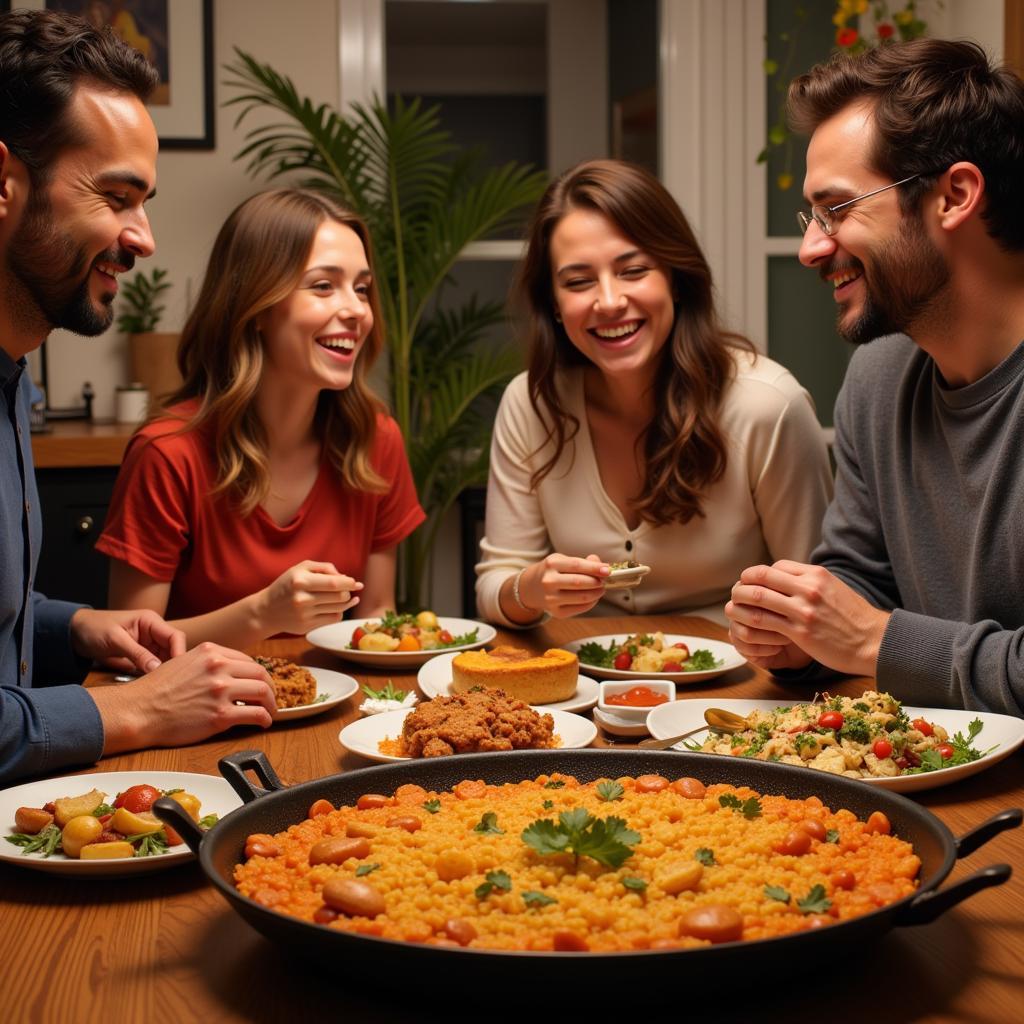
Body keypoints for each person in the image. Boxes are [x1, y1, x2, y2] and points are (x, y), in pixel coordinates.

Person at [0, 9, 277, 784]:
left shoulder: (12, 382)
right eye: (117, 197)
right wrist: (139, 710)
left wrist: (79, 626)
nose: (144, 237)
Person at [725, 39, 1024, 716]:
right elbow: (862, 578)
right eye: (811, 217)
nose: (810, 248)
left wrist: (873, 641)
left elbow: (874, 633)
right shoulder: (878, 377)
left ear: (954, 195)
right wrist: (796, 631)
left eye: (838, 210)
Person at [475, 159, 833, 627]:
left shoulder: (768, 407)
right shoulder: (531, 404)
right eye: (578, 282)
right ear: (555, 307)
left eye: (633, 270)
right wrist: (531, 588)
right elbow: (493, 584)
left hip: (740, 687)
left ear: (676, 278)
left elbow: (817, 596)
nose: (608, 302)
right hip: (576, 690)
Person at [96, 188, 425, 648]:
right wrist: (263, 613)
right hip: (204, 716)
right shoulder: (168, 454)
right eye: (324, 285)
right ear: (256, 307)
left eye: (362, 289)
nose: (356, 310)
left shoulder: (375, 438)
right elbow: (129, 644)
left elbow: (375, 616)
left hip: (342, 714)